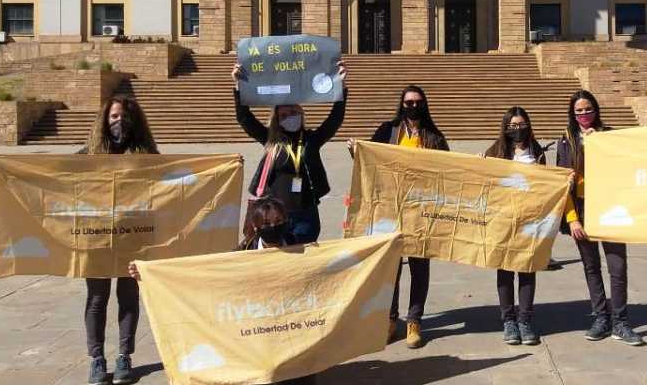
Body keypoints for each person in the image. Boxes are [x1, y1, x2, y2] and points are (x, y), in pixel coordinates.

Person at [0, 95, 158, 385]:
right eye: (113, 117)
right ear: (104, 120)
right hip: (95, 236)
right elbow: (50, 174)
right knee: (97, 298)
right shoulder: (88, 154)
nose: (119, 122)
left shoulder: (147, 153)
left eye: (124, 116)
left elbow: (175, 180)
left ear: (135, 120)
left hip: (132, 236)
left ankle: (125, 355)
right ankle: (97, 359)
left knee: (128, 296)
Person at [129, 197, 315, 385]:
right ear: (257, 227)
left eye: (279, 222)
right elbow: (204, 275)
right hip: (257, 326)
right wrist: (147, 273)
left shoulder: (302, 249)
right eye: (267, 223)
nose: (274, 227)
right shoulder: (242, 254)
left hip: (290, 324)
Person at [349, 84, 449, 349]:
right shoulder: (388, 130)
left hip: (422, 210)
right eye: (408, 102)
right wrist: (355, 149)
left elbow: (450, 171)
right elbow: (369, 157)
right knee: (391, 267)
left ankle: (414, 320)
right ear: (401, 104)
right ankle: (391, 319)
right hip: (391, 209)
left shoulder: (435, 136)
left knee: (419, 267)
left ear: (424, 105)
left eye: (417, 102)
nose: (413, 106)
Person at [557, 90, 644, 346]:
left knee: (617, 267)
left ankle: (621, 322)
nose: (584, 114)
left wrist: (600, 144)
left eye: (588, 109)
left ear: (596, 110)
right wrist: (572, 219)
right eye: (579, 111)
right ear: (572, 115)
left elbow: (626, 166)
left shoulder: (610, 134)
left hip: (609, 206)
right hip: (582, 209)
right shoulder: (566, 141)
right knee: (591, 266)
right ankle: (601, 317)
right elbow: (563, 183)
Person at [231, 62, 347, 244]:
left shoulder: (311, 140)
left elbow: (335, 120)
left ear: (301, 113)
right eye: (284, 115)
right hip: (274, 217)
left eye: (293, 112)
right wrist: (238, 86)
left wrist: (340, 85)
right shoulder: (272, 141)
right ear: (277, 120)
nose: (289, 117)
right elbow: (245, 119)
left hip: (305, 215)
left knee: (301, 259)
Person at [483, 106, 547, 346]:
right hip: (503, 219)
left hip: (530, 219)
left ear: (528, 125)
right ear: (505, 127)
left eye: (521, 125)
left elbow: (546, 183)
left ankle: (525, 319)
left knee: (527, 269)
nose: (517, 130)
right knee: (505, 270)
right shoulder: (497, 150)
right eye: (512, 126)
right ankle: (508, 320)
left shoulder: (537, 151)